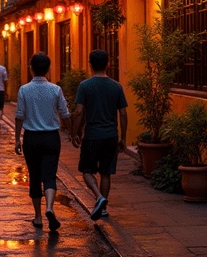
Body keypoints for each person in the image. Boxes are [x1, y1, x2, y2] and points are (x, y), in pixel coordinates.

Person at [15, 53, 72, 232]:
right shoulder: (56, 89)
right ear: (48, 69)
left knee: (34, 176)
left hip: (31, 138)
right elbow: (65, 113)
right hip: (51, 138)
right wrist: (72, 131)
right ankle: (49, 208)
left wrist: (17, 138)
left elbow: (19, 116)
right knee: (49, 175)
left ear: (31, 68)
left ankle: (38, 217)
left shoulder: (24, 89)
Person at [71, 50, 128, 221]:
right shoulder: (116, 86)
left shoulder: (85, 86)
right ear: (108, 64)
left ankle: (98, 197)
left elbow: (79, 112)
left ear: (90, 64)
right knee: (105, 173)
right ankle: (103, 208)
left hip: (92, 135)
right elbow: (123, 114)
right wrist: (123, 137)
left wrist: (75, 132)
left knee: (87, 171)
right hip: (111, 135)